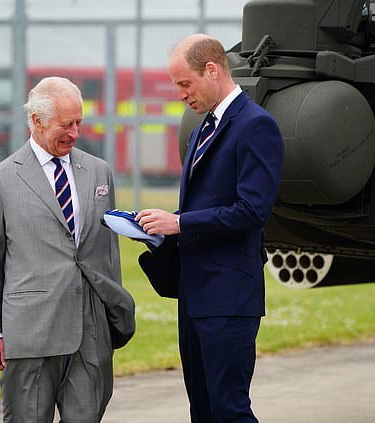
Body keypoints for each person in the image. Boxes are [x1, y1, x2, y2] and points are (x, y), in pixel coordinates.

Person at [135, 34, 284, 422]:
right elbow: (210, 205)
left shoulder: (255, 126)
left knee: (229, 410)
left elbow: (252, 211)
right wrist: (161, 226)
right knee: (202, 410)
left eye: (185, 84)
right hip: (196, 296)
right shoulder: (206, 126)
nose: (181, 95)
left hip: (229, 300)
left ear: (213, 70)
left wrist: (180, 223)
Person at [0, 77, 135, 423]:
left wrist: (111, 313)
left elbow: (107, 251)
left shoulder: (98, 171)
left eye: (79, 122)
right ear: (36, 121)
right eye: (66, 124)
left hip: (90, 331)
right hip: (31, 332)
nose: (75, 133)